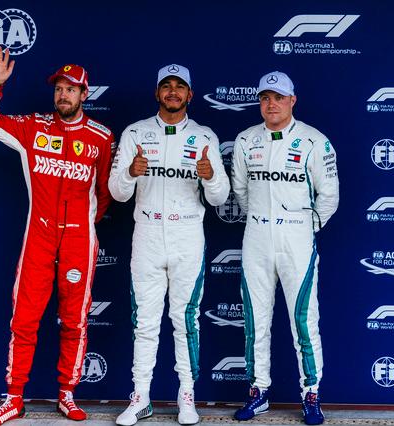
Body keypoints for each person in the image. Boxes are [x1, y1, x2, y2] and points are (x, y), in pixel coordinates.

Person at [0, 47, 114, 425]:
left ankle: (67, 394)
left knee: (75, 320)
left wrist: (84, 225)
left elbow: (106, 193)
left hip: (78, 241)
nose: (63, 95)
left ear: (84, 94)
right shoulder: (34, 127)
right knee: (24, 318)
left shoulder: (101, 137)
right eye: (59, 89)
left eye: (71, 89)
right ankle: (14, 398)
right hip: (38, 235)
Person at [109, 64, 230, 425]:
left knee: (186, 319)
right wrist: (130, 172)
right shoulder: (136, 133)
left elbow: (220, 197)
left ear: (190, 94)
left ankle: (187, 397)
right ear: (157, 93)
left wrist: (210, 178)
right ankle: (140, 397)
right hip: (147, 233)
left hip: (186, 235)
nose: (173, 92)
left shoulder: (204, 136)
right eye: (166, 86)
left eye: (180, 86)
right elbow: (117, 193)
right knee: (144, 321)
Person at [230, 71, 339, 425]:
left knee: (304, 320)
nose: (271, 104)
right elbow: (241, 191)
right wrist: (261, 219)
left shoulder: (314, 141)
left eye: (278, 97)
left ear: (292, 100)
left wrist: (305, 227)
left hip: (297, 238)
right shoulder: (246, 140)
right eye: (265, 97)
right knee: (255, 320)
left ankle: (311, 393)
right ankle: (258, 390)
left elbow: (329, 196)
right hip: (257, 236)